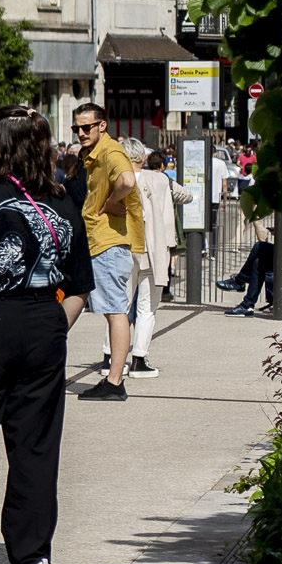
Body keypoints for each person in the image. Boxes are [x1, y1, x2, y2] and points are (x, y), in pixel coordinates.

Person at [0, 106, 93, 564]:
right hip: (45, 323)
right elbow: (81, 285)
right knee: (36, 446)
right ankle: (32, 559)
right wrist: (52, 326)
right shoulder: (63, 201)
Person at [73, 103, 143, 401]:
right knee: (78, 297)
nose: (80, 133)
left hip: (108, 243)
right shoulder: (94, 155)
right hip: (97, 242)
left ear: (102, 125)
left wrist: (112, 202)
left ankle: (115, 382)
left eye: (86, 127)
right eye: (77, 128)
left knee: (116, 312)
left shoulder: (111, 151)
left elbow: (127, 180)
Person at [121, 146, 193, 378]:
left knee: (119, 306)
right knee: (147, 307)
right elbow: (187, 195)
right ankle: (139, 359)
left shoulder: (118, 178)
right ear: (142, 157)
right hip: (153, 248)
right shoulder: (161, 179)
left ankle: (110, 357)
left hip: (124, 247)